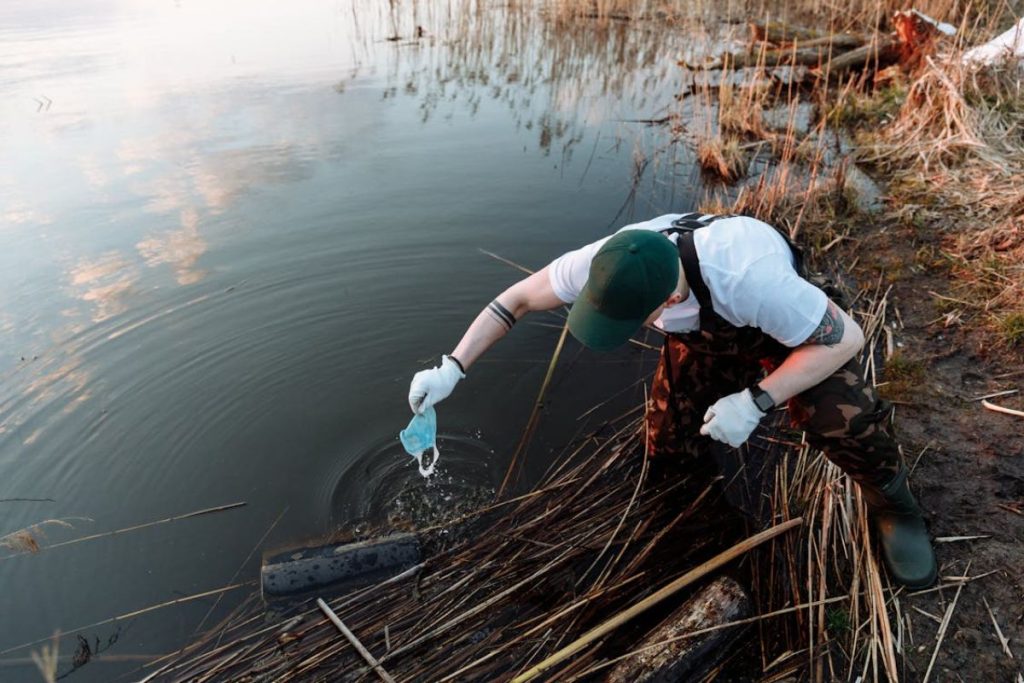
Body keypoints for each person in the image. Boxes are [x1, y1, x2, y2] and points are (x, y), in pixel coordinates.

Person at [407, 212, 937, 588]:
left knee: (838, 416)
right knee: (665, 442)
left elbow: (845, 337)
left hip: (781, 334)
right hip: (704, 333)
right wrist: (452, 367)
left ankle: (896, 506)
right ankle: (700, 523)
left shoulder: (751, 279)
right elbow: (517, 299)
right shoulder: (610, 259)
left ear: (670, 299)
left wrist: (756, 400)